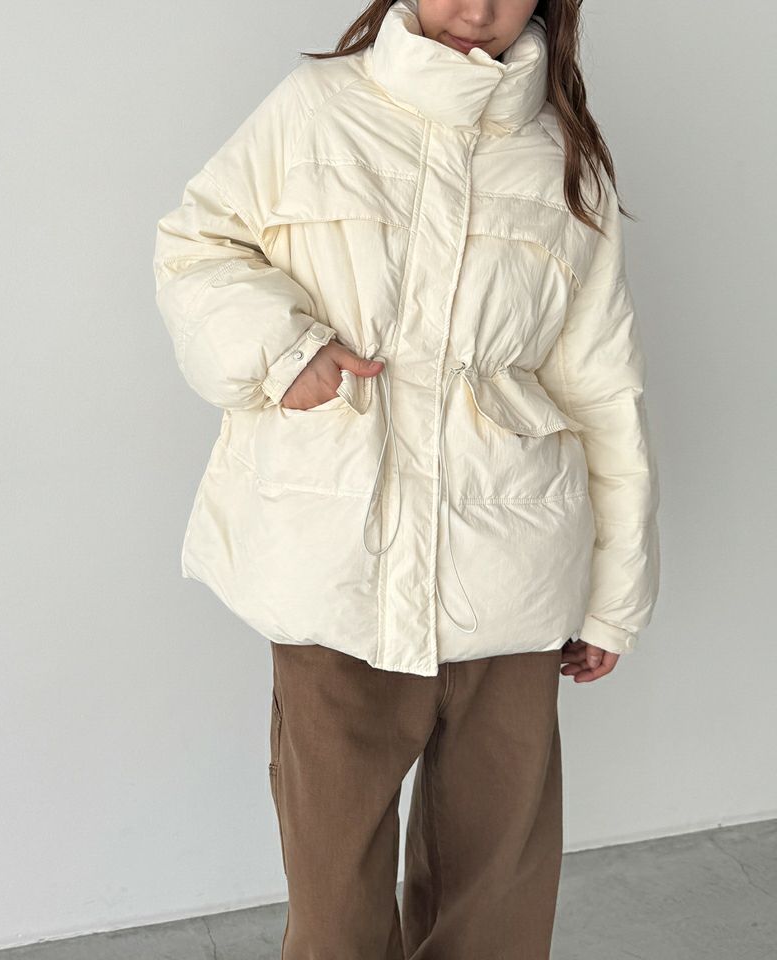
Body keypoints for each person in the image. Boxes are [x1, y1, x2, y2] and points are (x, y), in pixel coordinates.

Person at [152, 0, 661, 956]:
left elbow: (603, 388)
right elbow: (194, 246)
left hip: (508, 575)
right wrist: (283, 348)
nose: (478, 11)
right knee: (335, 909)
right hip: (336, 579)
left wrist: (614, 597)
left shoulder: (564, 156)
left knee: (496, 903)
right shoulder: (316, 107)